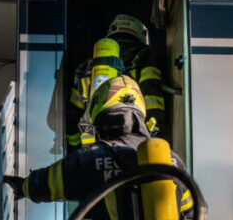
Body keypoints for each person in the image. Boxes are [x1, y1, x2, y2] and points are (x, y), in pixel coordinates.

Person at [6, 75, 198, 220]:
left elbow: (50, 183)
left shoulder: (93, 158)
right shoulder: (171, 159)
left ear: (102, 115)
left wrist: (23, 187)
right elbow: (193, 213)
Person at [66, 14, 167, 150]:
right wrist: (156, 134)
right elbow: (152, 96)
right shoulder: (145, 55)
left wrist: (76, 144)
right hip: (132, 140)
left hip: (95, 143)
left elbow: (73, 115)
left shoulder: (89, 65)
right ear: (141, 35)